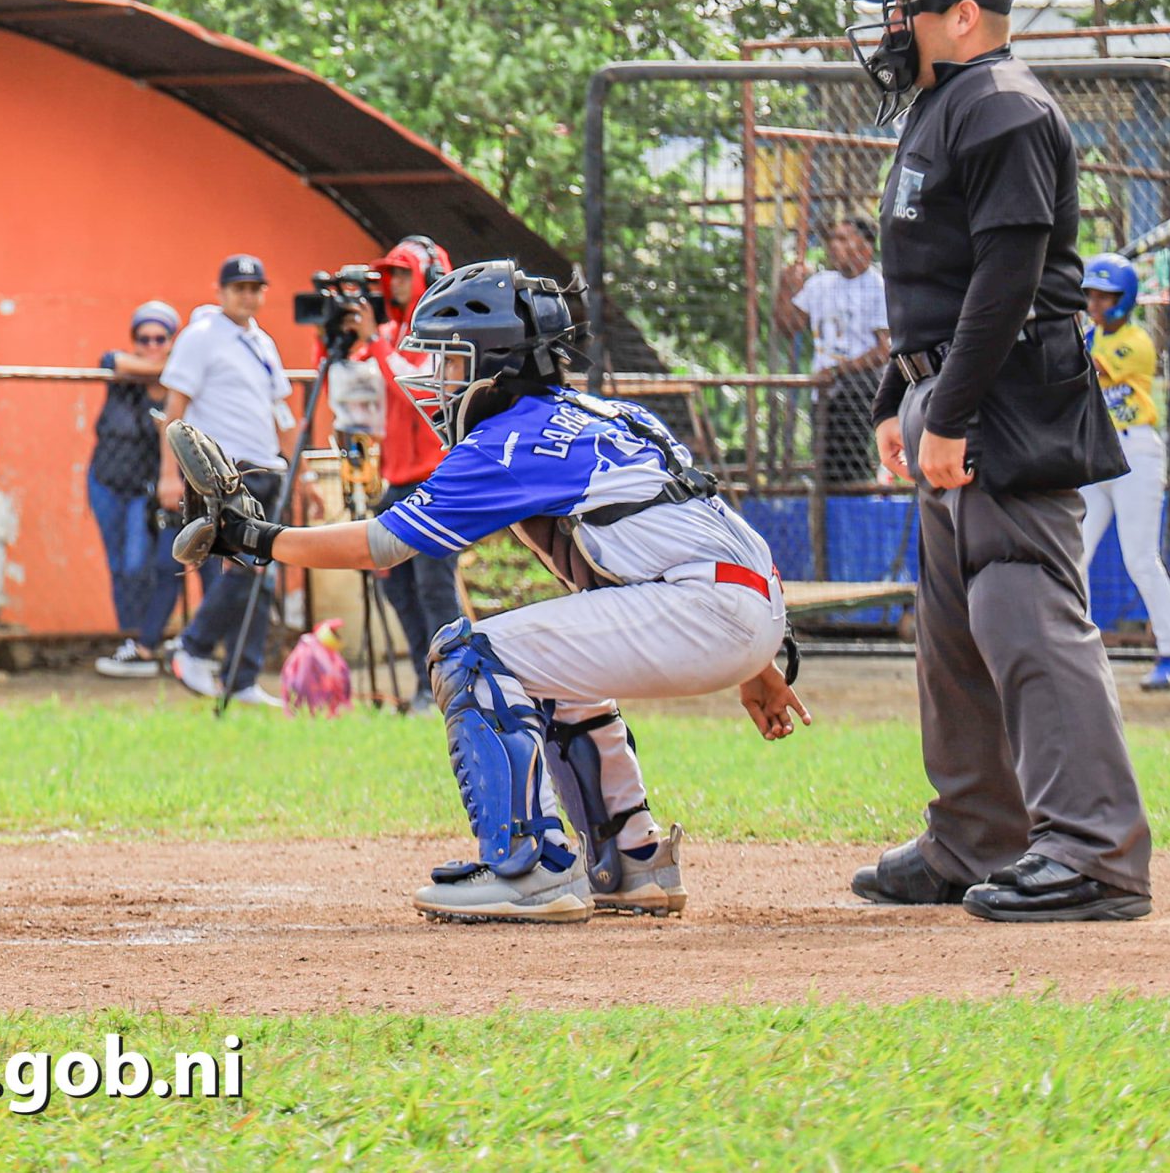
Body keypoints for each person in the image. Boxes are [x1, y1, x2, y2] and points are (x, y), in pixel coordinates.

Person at [166, 260, 808, 921]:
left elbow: (383, 543)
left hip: (704, 609)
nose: (437, 378)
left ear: (494, 363)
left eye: (450, 360)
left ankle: (529, 868)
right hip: (747, 604)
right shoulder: (611, 414)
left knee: (469, 654)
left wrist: (257, 537)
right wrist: (756, 658)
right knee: (546, 671)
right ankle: (631, 861)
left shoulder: (511, 438)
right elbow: (688, 529)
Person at [842, 0, 1152, 923]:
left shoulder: (1004, 107)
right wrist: (900, 395)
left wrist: (952, 407)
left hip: (1005, 396)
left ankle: (1094, 852)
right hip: (954, 390)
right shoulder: (950, 103)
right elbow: (936, 278)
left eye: (906, 10)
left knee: (1024, 610)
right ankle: (975, 835)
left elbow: (1008, 278)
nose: (891, 28)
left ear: (964, 15)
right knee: (954, 631)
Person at [158, 255, 294, 707]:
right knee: (244, 569)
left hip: (267, 468)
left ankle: (241, 677)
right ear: (220, 292)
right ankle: (193, 647)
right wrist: (169, 474)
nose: (248, 297)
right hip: (224, 474)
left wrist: (301, 469)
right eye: (239, 288)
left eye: (255, 288)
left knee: (263, 573)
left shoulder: (262, 341)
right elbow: (174, 411)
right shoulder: (200, 337)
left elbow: (281, 411)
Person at [1076, 255, 1170, 692]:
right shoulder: (1088, 336)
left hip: (1134, 452)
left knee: (1140, 559)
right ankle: (1077, 653)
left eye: (1104, 297)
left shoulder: (1136, 341)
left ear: (1123, 299)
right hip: (1095, 454)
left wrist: (1064, 330)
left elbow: (1092, 368)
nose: (1095, 304)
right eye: (1091, 295)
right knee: (1072, 555)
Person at [356, 235, 460, 712]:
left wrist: (375, 342)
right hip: (396, 480)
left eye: (401, 273)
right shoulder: (391, 332)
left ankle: (455, 687)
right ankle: (426, 684)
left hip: (432, 479)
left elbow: (418, 390)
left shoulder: (442, 331)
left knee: (433, 587)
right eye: (389, 275)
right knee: (395, 582)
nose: (392, 283)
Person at [89, 301, 183, 678]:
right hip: (106, 480)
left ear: (173, 340)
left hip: (147, 488)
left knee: (138, 563)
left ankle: (147, 637)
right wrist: (168, 367)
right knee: (117, 565)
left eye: (160, 338)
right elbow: (110, 361)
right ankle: (130, 640)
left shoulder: (179, 387)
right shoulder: (123, 372)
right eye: (144, 339)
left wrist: (172, 371)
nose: (152, 345)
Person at [774, 219, 891, 483]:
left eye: (843, 239)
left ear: (865, 247)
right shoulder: (821, 284)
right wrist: (787, 285)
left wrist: (839, 370)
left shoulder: (877, 286)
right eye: (831, 239)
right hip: (825, 387)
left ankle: (860, 493)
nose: (833, 245)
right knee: (826, 464)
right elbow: (788, 327)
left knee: (851, 462)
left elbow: (884, 349)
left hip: (859, 386)